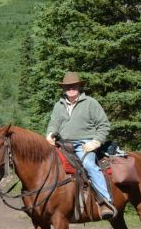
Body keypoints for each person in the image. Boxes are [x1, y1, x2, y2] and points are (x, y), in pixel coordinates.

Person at [46, 72, 115, 219]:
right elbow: (54, 124)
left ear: (79, 87)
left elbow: (103, 125)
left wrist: (95, 141)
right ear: (64, 89)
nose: (71, 88)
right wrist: (51, 133)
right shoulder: (59, 105)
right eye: (68, 86)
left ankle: (105, 202)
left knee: (89, 165)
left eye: (74, 86)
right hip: (62, 143)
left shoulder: (90, 103)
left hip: (84, 144)